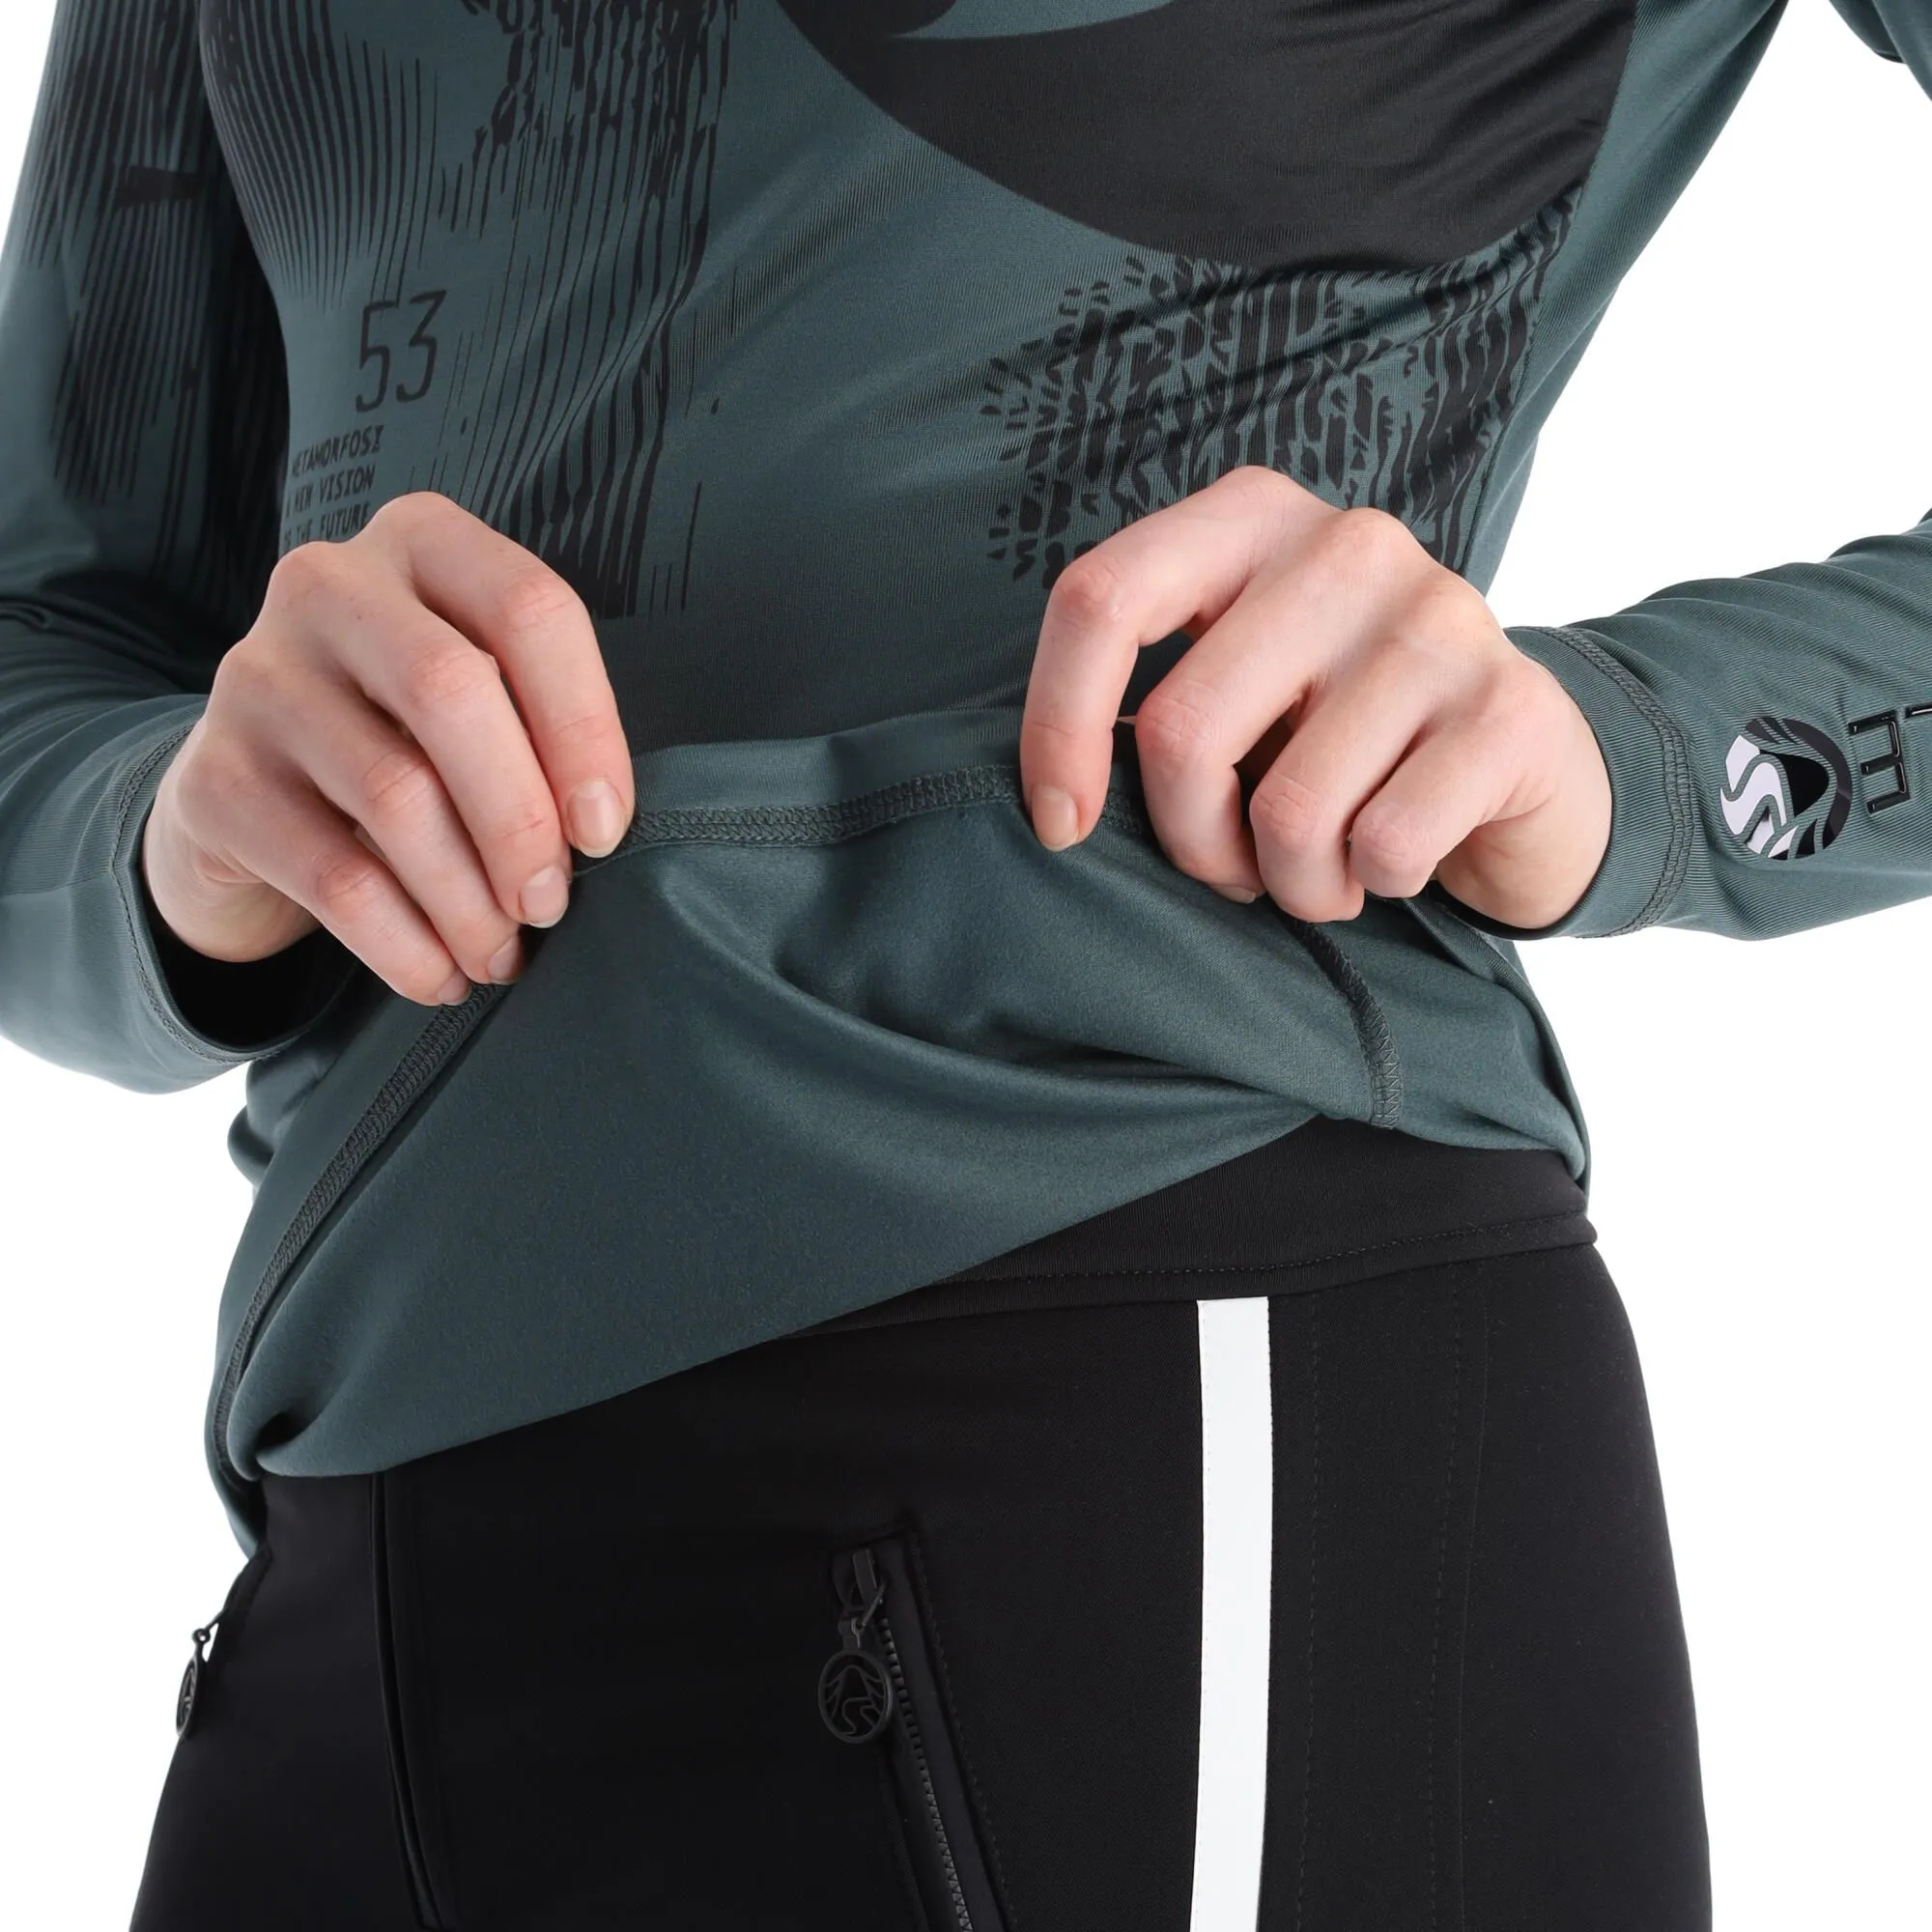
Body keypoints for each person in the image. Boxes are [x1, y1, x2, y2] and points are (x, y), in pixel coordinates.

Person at [1, 0, 1925, 1925]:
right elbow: (49, 638)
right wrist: (170, 835)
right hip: (358, 1491)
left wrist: (1644, 753)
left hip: (1132, 1350)